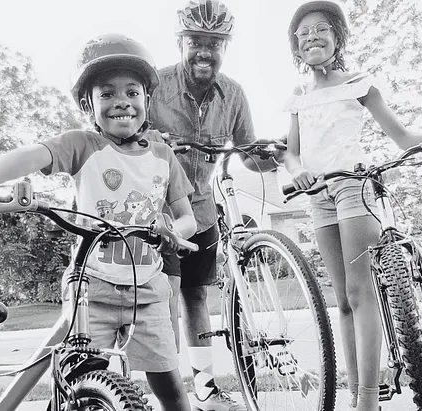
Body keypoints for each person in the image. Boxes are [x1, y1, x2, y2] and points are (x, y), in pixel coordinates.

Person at [0, 34, 196, 411]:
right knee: (79, 384)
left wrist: (173, 233)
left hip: (149, 291)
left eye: (132, 92)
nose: (122, 101)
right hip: (93, 291)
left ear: (146, 100)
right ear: (89, 105)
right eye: (107, 94)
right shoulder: (84, 146)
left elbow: (187, 219)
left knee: (170, 385)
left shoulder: (163, 155)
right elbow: (33, 155)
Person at [282, 2, 422, 411]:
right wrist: (296, 172)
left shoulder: (358, 83)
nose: (312, 36)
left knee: (359, 290)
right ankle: (356, 395)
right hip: (318, 196)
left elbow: (403, 137)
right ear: (295, 45)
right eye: (303, 32)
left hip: (354, 187)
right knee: (342, 300)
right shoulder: (297, 97)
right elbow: (292, 154)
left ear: (338, 38)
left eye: (321, 29)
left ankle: (368, 398)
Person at [147, 1, 281, 410]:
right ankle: (171, 396)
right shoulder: (155, 85)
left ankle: (204, 388)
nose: (205, 51)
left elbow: (246, 151)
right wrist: (153, 141)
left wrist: (274, 155)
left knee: (196, 297)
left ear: (226, 47)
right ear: (180, 43)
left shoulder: (234, 94)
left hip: (202, 210)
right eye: (196, 42)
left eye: (214, 43)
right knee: (167, 296)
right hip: (162, 214)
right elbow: (127, 133)